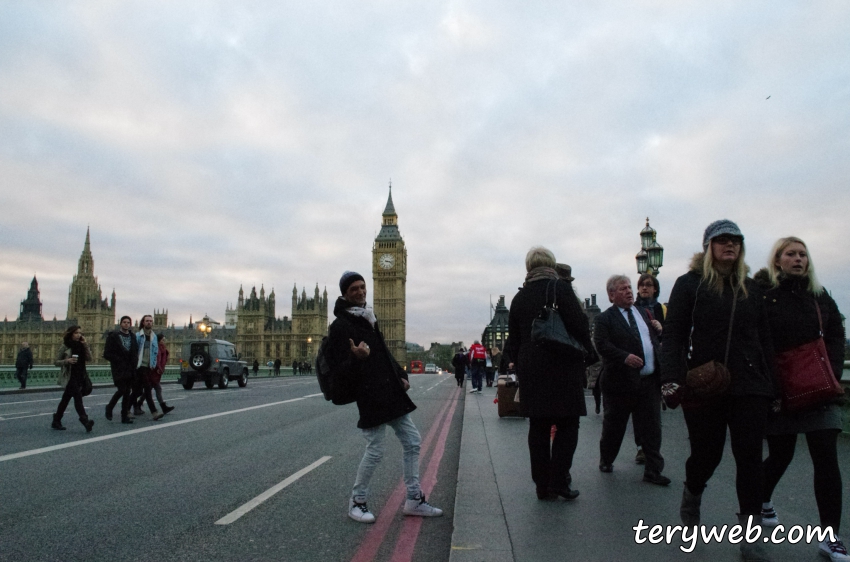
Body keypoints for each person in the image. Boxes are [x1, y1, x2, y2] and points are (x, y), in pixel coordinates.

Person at [660, 220, 777, 562]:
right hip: (705, 384)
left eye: (736, 241)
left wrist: (774, 387)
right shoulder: (690, 285)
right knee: (706, 456)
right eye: (722, 240)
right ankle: (691, 501)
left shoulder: (752, 289)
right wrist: (672, 378)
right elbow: (675, 335)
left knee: (750, 459)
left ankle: (750, 537)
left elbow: (765, 340)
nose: (730, 245)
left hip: (750, 384)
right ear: (708, 246)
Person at [326, 271, 442, 523]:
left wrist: (401, 374)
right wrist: (355, 358)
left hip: (389, 391)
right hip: (369, 394)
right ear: (344, 293)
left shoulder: (368, 317)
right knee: (376, 450)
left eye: (362, 286)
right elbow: (337, 368)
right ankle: (357, 501)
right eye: (354, 288)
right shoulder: (340, 326)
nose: (360, 291)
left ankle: (414, 499)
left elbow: (383, 353)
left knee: (412, 441)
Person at [758, 237, 848, 561]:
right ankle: (762, 499)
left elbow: (836, 333)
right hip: (780, 389)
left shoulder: (820, 297)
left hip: (819, 389)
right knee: (780, 455)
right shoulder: (766, 298)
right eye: (790, 254)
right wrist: (770, 384)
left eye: (803, 254)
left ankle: (830, 536)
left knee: (826, 458)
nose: (798, 259)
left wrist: (833, 370)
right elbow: (758, 342)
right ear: (778, 260)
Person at [505, 246, 594, 501]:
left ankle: (542, 486)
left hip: (532, 369)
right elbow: (580, 325)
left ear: (528, 267)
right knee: (568, 424)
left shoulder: (518, 298)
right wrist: (588, 353)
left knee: (539, 428)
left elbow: (515, 339)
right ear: (552, 265)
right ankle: (558, 480)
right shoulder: (560, 289)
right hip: (563, 365)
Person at [593, 275, 669, 486]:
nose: (628, 291)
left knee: (652, 428)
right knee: (614, 427)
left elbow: (651, 340)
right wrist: (624, 357)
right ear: (611, 295)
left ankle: (653, 470)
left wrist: (659, 332)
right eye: (622, 288)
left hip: (648, 382)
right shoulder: (604, 319)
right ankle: (606, 459)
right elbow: (601, 345)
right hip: (620, 384)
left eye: (629, 287)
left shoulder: (644, 313)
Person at [633, 272, 667, 464]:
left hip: (657, 364)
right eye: (641, 285)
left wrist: (661, 329)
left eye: (648, 285)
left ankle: (652, 449)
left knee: (653, 414)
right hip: (640, 363)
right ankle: (641, 448)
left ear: (655, 289)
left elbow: (671, 334)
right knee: (639, 412)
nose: (644, 288)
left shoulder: (661, 309)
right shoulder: (634, 309)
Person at [51, 325, 94, 432]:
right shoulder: (65, 346)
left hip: (80, 375)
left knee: (65, 399)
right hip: (70, 376)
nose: (79, 335)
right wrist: (67, 361)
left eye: (80, 333)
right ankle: (85, 421)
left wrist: (85, 345)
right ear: (71, 334)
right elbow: (56, 362)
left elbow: (90, 358)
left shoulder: (81, 345)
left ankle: (56, 420)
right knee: (78, 398)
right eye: (76, 333)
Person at [103, 316, 139, 424]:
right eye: (124, 322)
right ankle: (109, 407)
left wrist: (135, 363)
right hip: (119, 368)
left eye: (128, 322)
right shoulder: (113, 336)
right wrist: (118, 360)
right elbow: (107, 354)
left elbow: (135, 351)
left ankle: (124, 416)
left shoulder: (132, 336)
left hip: (130, 368)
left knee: (127, 392)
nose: (126, 324)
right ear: (120, 323)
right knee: (122, 390)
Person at [131, 315, 164, 421]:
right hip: (139, 366)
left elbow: (155, 352)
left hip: (149, 367)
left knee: (137, 391)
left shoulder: (154, 337)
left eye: (151, 321)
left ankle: (126, 409)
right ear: (143, 323)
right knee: (148, 389)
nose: (149, 322)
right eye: (147, 321)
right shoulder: (137, 336)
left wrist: (154, 365)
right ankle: (154, 412)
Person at [149, 333, 174, 415]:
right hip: (153, 372)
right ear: (158, 341)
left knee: (149, 390)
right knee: (153, 389)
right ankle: (162, 407)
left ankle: (163, 407)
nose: (164, 341)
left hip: (157, 372)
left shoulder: (162, 349)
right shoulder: (157, 349)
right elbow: (156, 361)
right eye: (163, 340)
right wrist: (159, 369)